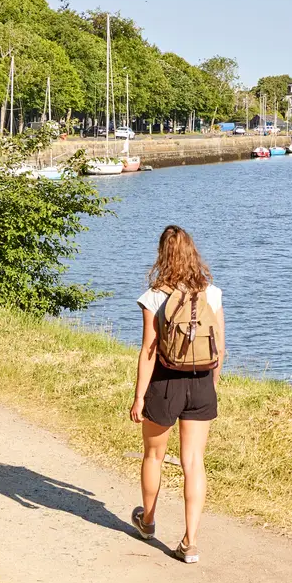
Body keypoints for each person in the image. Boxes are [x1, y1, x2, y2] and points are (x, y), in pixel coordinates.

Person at [129, 225, 226, 563]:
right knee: (193, 462)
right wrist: (210, 386)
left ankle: (148, 521)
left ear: (162, 255)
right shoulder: (211, 293)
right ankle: (190, 542)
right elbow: (221, 349)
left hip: (165, 383)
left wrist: (139, 396)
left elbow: (148, 351)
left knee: (154, 456)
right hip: (201, 382)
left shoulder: (154, 296)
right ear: (192, 253)